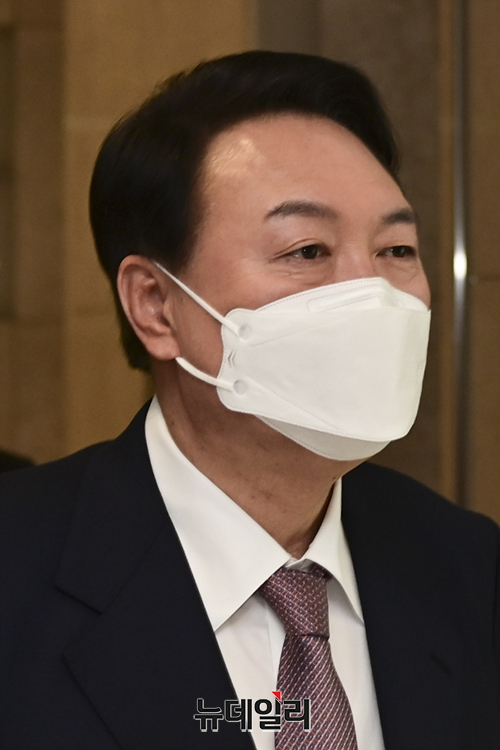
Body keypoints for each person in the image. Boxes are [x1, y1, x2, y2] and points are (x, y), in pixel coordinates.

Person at [0, 51, 498, 750]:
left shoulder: (468, 568)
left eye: (396, 250)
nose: (372, 292)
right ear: (156, 305)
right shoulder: (17, 572)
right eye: (307, 250)